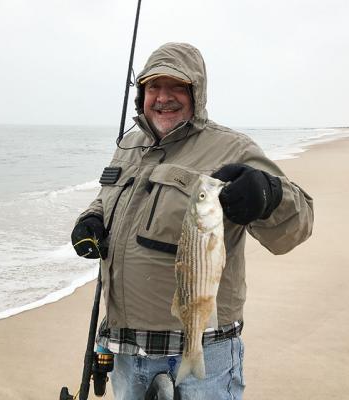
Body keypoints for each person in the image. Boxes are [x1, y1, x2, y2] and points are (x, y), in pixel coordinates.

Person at [71, 42, 314, 399]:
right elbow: (107, 199)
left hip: (204, 348)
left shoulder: (231, 147)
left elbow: (300, 222)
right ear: (142, 94)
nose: (163, 97)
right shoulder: (129, 145)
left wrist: (268, 195)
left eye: (176, 87)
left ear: (196, 92)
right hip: (123, 349)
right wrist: (91, 219)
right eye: (154, 87)